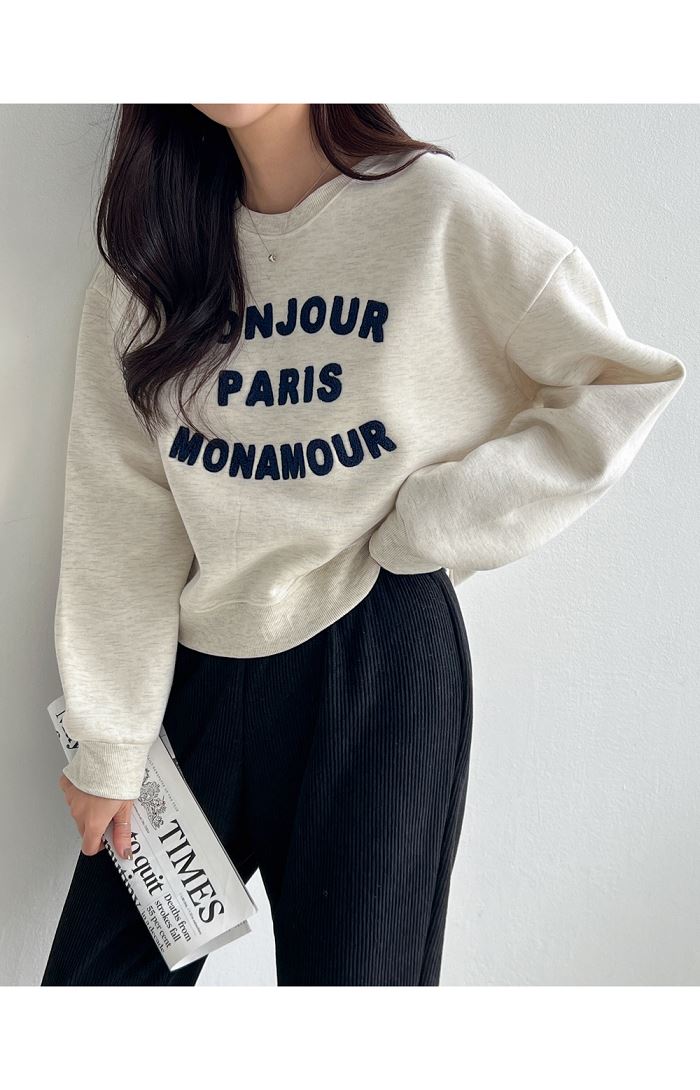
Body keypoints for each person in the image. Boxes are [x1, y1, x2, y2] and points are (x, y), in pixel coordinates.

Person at [40, 103, 686, 987]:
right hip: (196, 672)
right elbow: (122, 519)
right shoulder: (146, 269)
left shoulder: (434, 210)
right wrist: (110, 738)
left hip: (375, 652)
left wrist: (434, 523)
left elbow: (620, 382)